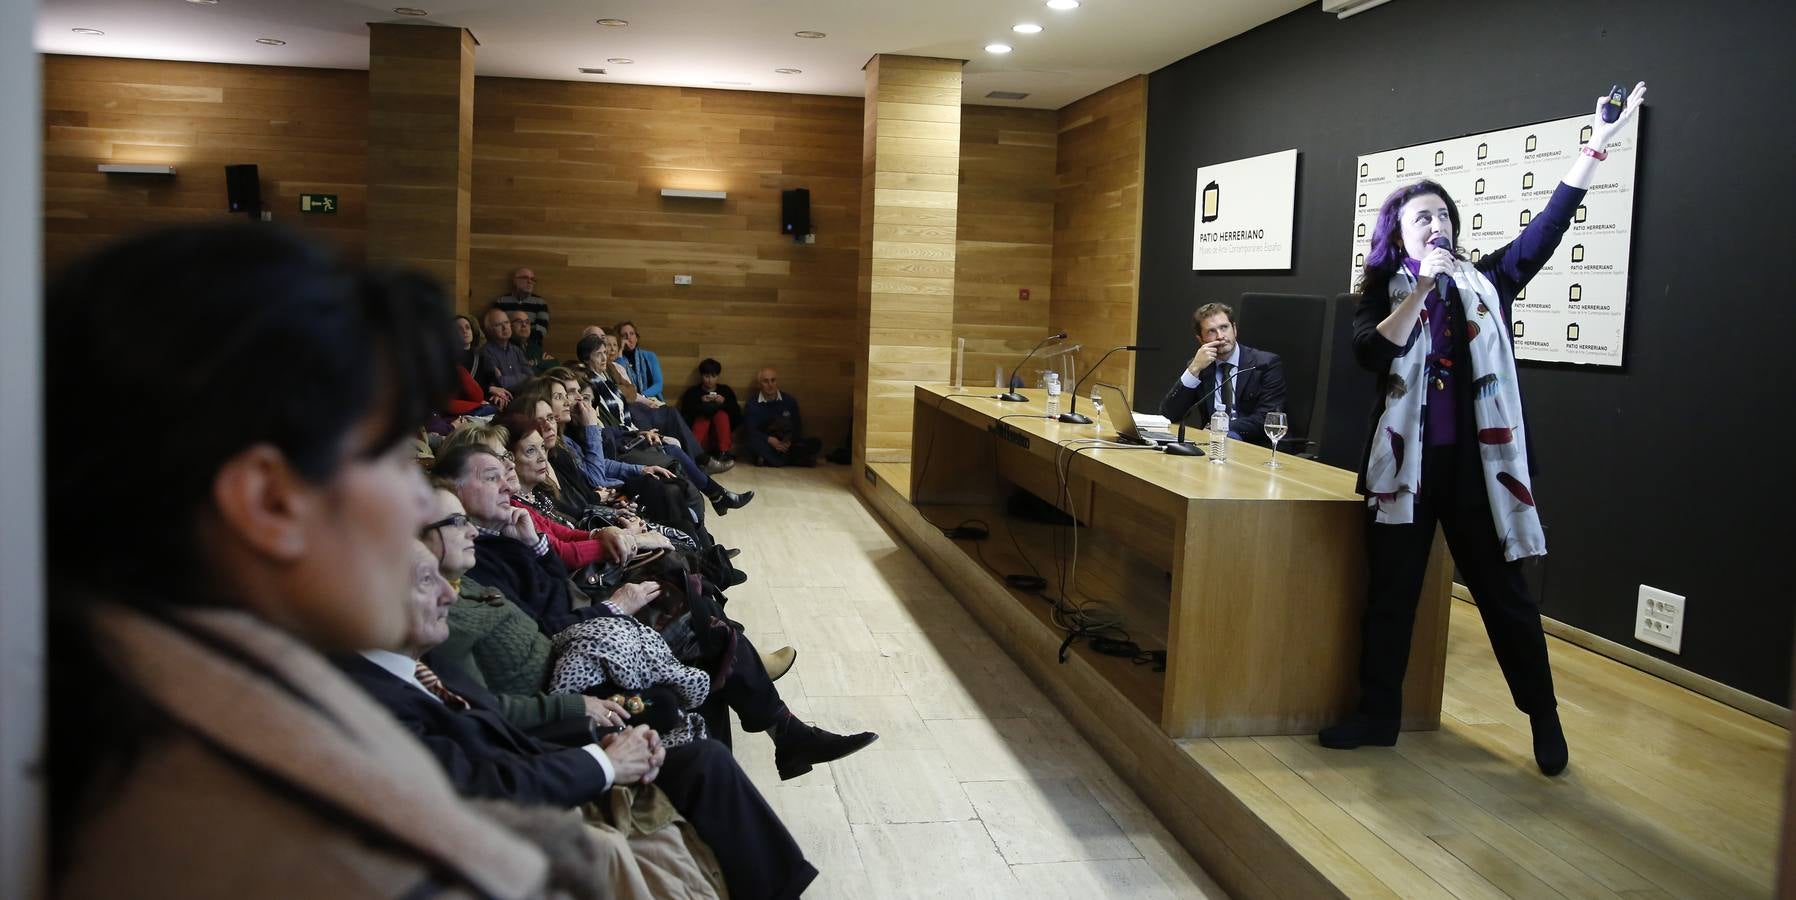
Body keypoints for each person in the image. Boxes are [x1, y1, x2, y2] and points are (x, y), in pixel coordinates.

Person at [45, 223, 594, 896]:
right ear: (271, 502)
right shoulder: (316, 852)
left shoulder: (136, 699)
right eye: (393, 458)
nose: (423, 507)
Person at [1320, 83, 1648, 778]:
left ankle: (1544, 717)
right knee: (1390, 601)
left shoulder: (1487, 281)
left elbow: (1547, 230)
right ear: (1398, 235)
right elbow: (1371, 354)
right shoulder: (1378, 294)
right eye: (1421, 219)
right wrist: (1419, 289)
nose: (1435, 225)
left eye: (1442, 215)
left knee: (1506, 600)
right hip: (1403, 474)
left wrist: (1594, 147)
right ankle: (1379, 716)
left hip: (1473, 472)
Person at [341, 541, 819, 899]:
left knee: (699, 718)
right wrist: (603, 760)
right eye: (427, 581)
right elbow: (483, 773)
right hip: (539, 778)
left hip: (558, 724)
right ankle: (775, 721)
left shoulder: (427, 660)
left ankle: (776, 728)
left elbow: (545, 595)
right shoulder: (381, 693)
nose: (449, 593)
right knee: (688, 682)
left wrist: (537, 540)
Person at [1158, 302, 1287, 445]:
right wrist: (1193, 369)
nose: (1220, 336)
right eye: (1211, 331)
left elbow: (1266, 418)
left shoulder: (1265, 364)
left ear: (1234, 329)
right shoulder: (1201, 365)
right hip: (1212, 446)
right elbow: (1170, 414)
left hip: (1255, 446)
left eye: (1224, 327)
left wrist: (1220, 428)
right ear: (1201, 339)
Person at [743, 368, 820, 467]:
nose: (770, 384)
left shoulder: (789, 401)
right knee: (752, 443)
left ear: (777, 382)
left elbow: (797, 427)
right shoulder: (752, 404)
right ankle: (790, 460)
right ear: (759, 384)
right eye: (766, 381)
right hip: (766, 442)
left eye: (773, 380)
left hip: (786, 443)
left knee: (816, 443)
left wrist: (788, 441)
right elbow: (751, 430)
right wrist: (770, 440)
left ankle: (770, 460)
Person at [680, 358, 742, 469]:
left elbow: (737, 415)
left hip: (720, 438)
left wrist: (724, 403)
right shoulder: (693, 392)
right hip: (700, 438)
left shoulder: (725, 391)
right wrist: (700, 402)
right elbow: (685, 414)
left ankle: (724, 452)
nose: (710, 380)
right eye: (706, 376)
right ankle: (694, 452)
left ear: (718, 376)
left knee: (721, 414)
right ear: (701, 376)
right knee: (704, 416)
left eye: (713, 376)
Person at [480, 305, 534, 393]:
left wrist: (507, 378)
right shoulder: (486, 352)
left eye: (506, 322)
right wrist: (522, 377)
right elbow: (499, 383)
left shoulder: (516, 350)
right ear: (489, 330)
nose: (505, 328)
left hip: (523, 397)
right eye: (498, 325)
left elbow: (531, 377)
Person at [496, 267, 549, 354]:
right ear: (515, 281)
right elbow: (497, 327)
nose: (530, 281)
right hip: (505, 348)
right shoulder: (502, 301)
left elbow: (541, 331)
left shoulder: (540, 303)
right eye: (525, 278)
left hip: (532, 349)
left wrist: (518, 333)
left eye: (532, 279)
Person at [615, 320, 665, 401]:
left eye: (632, 334)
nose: (629, 337)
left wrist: (642, 396)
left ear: (636, 338)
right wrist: (620, 350)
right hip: (631, 403)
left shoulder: (650, 356)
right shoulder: (618, 359)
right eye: (624, 335)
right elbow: (622, 381)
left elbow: (658, 384)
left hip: (652, 399)